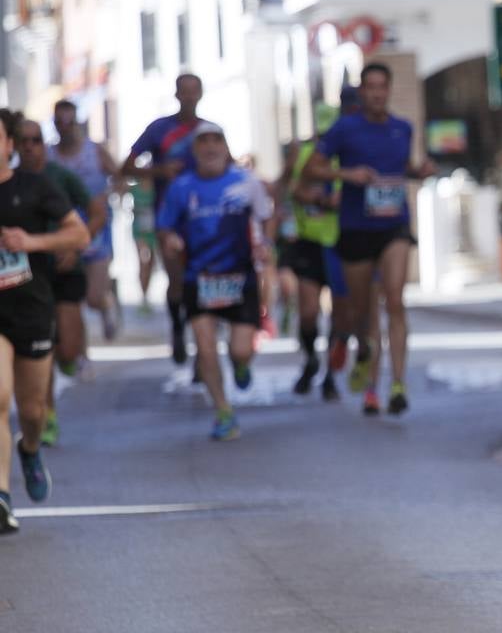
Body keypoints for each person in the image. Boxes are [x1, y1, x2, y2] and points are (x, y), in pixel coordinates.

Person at [305, 65, 436, 416]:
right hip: (356, 228)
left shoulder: (402, 128)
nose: (377, 93)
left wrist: (419, 171)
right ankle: (370, 381)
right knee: (364, 312)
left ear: (389, 90)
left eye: (383, 87)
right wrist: (346, 173)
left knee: (394, 298)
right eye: (371, 87)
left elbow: (402, 168)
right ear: (361, 92)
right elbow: (311, 170)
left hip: (394, 224)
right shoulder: (344, 128)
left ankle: (397, 385)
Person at [0, 108, 90, 532]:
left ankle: (30, 447)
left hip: (32, 308)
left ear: (9, 145)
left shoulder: (35, 187)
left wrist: (31, 240)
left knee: (32, 410)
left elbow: (79, 234)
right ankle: (1, 496)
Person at [156, 123, 273, 441]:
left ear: (226, 147)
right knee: (206, 348)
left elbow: (265, 218)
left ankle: (241, 365)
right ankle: (223, 412)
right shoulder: (182, 187)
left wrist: (265, 246)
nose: (210, 148)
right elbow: (165, 226)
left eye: (216, 141)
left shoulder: (246, 183)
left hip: (240, 276)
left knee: (240, 350)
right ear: (195, 151)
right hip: (200, 276)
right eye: (203, 142)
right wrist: (171, 242)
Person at [16, 119, 101, 446]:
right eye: (22, 140)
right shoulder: (9, 182)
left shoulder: (59, 177)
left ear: (43, 144)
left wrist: (77, 243)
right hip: (29, 277)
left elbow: (96, 212)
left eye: (36, 140)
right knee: (43, 349)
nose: (29, 147)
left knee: (65, 348)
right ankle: (47, 414)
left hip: (66, 270)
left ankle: (70, 358)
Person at [122, 73, 214, 365]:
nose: (188, 97)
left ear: (200, 94)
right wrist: (159, 172)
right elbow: (127, 166)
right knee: (176, 278)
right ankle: (178, 327)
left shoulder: (208, 132)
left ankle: (203, 347)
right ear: (176, 95)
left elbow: (227, 167)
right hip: (169, 218)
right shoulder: (159, 129)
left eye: (193, 92)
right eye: (183, 92)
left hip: (202, 219)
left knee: (201, 280)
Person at [284, 101, 352, 400]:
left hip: (340, 242)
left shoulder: (347, 155)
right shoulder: (305, 153)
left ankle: (330, 376)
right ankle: (310, 358)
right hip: (309, 242)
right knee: (309, 312)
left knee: (340, 316)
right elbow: (292, 187)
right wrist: (312, 197)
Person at [49, 99, 121, 341]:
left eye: (69, 121)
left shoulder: (95, 150)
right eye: (60, 121)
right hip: (65, 230)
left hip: (96, 228)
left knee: (92, 297)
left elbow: (119, 177)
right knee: (71, 298)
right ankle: (80, 354)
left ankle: (106, 301)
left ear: (77, 121)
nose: (65, 126)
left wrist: (108, 195)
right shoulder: (49, 155)